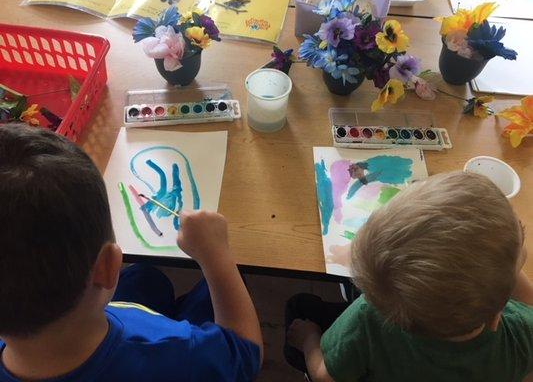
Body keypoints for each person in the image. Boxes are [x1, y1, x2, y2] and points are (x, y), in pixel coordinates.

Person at [0, 124, 262, 381]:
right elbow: (246, 354)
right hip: (151, 346)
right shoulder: (175, 355)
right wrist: (217, 257)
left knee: (145, 278)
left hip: (108, 316)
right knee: (212, 289)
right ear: (108, 265)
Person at [285, 171, 533, 382]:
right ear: (496, 317)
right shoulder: (521, 335)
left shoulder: (368, 319)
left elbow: (323, 375)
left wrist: (309, 339)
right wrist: (501, 264)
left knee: (300, 306)